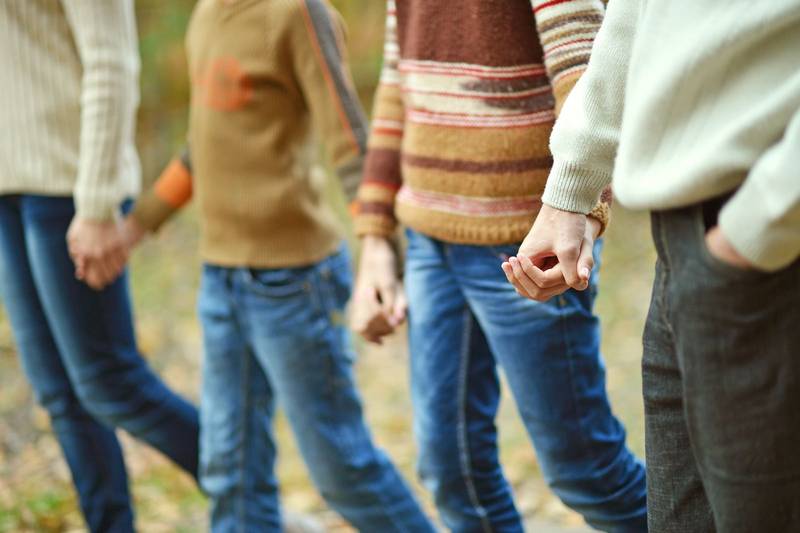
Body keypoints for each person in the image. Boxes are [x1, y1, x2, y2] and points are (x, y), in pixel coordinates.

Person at [108, 0, 435, 531]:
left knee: (341, 468)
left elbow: (349, 140)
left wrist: (380, 250)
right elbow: (201, 146)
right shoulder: (207, 14)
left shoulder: (297, 14)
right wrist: (137, 226)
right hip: (221, 278)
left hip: (294, 282)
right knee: (229, 469)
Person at [351, 1, 647, 531]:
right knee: (452, 471)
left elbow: (586, 69)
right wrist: (375, 237)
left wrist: (584, 206)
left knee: (588, 474)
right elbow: (397, 82)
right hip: (427, 240)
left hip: (528, 242)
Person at [504, 1, 800, 532]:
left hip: (766, 247)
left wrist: (762, 221)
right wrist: (571, 190)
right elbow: (638, 14)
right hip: (685, 243)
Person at [0, 2, 200, 532]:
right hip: (7, 188)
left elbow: (111, 62)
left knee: (110, 384)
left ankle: (255, 498)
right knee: (59, 394)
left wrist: (95, 203)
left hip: (69, 186)